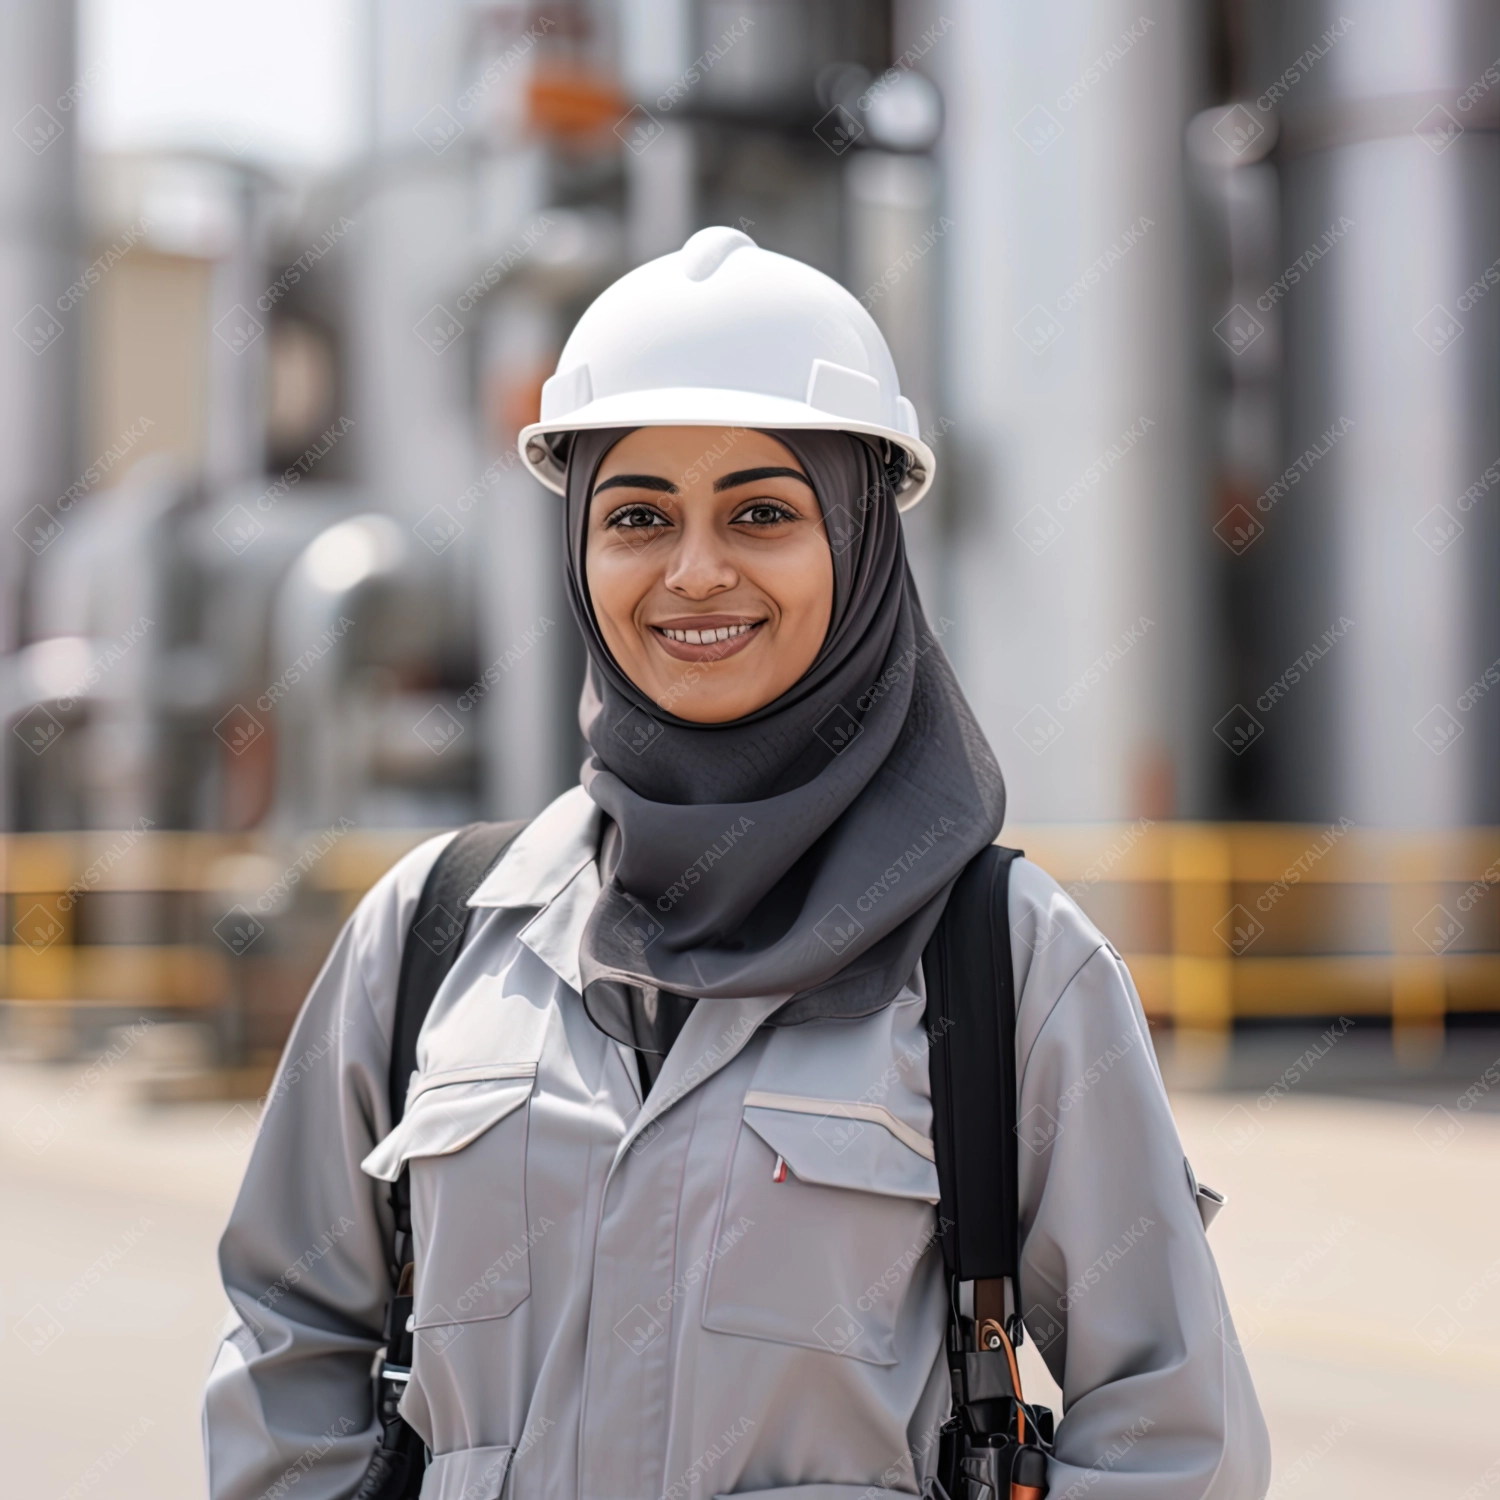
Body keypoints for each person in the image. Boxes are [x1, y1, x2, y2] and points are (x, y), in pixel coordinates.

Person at [203, 228, 1271, 1500]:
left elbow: (1175, 1439)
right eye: (638, 515)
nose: (694, 571)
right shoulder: (432, 938)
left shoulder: (1005, 963)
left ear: (862, 544)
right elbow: (290, 1334)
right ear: (579, 552)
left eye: (763, 512)